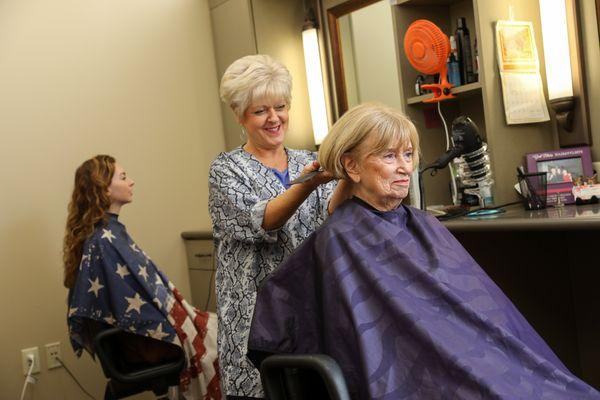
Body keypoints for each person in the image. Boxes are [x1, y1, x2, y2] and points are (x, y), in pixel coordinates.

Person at [248, 103, 600, 399]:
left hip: (478, 362)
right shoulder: (339, 240)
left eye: (408, 154)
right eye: (389, 156)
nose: (404, 167)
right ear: (351, 166)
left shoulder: (421, 223)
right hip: (427, 377)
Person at [208, 54, 350, 399]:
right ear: (240, 115)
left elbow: (332, 210)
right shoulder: (226, 170)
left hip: (307, 305)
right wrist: (309, 183)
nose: (274, 118)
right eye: (260, 111)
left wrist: (345, 172)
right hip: (254, 315)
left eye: (281, 106)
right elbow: (264, 219)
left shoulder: (306, 160)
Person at [64, 155, 221, 400]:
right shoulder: (104, 241)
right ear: (104, 188)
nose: (132, 182)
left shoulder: (108, 234)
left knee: (220, 329)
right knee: (225, 342)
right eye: (124, 177)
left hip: (141, 338)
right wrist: (181, 325)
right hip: (143, 342)